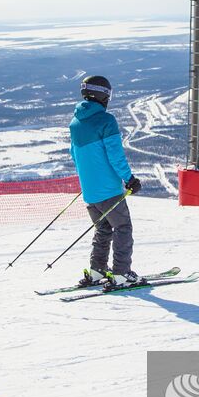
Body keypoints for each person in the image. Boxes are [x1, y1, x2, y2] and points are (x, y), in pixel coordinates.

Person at [69, 75, 140, 288]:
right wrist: (130, 179)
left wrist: (90, 179)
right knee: (123, 227)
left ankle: (97, 270)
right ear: (104, 95)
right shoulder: (106, 121)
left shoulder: (75, 122)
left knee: (103, 228)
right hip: (109, 189)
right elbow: (115, 156)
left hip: (89, 191)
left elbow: (74, 155)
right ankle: (121, 274)